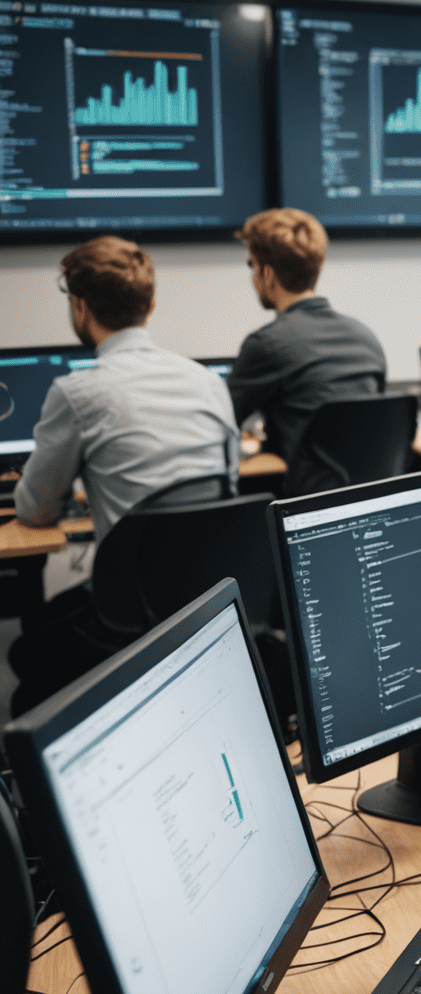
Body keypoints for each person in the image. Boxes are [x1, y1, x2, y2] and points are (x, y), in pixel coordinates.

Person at [10, 237, 238, 714]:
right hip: (208, 599)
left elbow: (35, 509)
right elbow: (226, 490)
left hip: (130, 612)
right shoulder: (208, 382)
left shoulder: (78, 392)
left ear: (80, 307)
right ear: (151, 305)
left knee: (23, 650)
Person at [228, 207, 386, 493]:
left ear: (268, 274)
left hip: (304, 507)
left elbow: (222, 423)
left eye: (252, 265)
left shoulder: (267, 344)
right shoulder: (366, 338)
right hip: (366, 499)